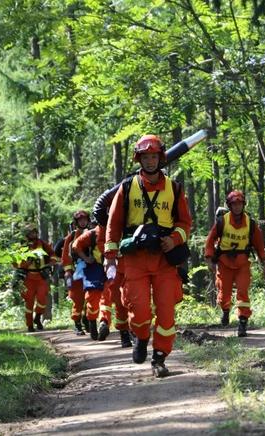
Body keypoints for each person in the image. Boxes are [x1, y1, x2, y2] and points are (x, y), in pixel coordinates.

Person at [104, 134, 192, 377]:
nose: (151, 161)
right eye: (146, 157)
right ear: (139, 159)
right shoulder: (126, 188)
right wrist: (109, 257)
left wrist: (173, 239)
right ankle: (141, 338)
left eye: (154, 156)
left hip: (164, 259)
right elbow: (113, 224)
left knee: (166, 312)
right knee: (139, 310)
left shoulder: (174, 188)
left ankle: (160, 358)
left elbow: (185, 223)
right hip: (135, 258)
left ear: (161, 158)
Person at [204, 190, 265, 337]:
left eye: (240, 203)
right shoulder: (222, 221)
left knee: (243, 291)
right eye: (234, 204)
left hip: (242, 263)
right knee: (224, 292)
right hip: (224, 262)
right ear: (230, 205)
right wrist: (209, 260)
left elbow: (259, 246)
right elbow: (210, 241)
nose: (237, 207)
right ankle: (225, 311)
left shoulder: (251, 224)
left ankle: (242, 322)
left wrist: (264, 267)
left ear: (243, 204)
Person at [14, 224, 57, 332]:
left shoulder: (42, 244)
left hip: (41, 276)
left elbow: (52, 253)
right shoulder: (22, 246)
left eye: (34, 232)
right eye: (30, 233)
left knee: (42, 299)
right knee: (29, 302)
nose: (33, 234)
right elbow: (15, 263)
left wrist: (50, 263)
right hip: (28, 277)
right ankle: (29, 325)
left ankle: (37, 317)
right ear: (27, 234)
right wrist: (25, 263)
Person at [72, 224, 105, 340]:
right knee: (92, 297)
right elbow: (75, 246)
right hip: (94, 268)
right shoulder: (91, 234)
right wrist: (86, 259)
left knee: (111, 296)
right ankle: (91, 321)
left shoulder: (118, 228)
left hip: (111, 267)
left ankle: (105, 324)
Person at [61, 210, 91, 336]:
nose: (83, 222)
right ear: (76, 222)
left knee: (91, 297)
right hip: (76, 272)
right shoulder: (71, 237)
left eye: (84, 219)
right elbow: (66, 256)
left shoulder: (93, 233)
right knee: (78, 300)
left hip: (91, 270)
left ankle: (89, 320)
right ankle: (77, 324)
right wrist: (68, 271)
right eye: (80, 220)